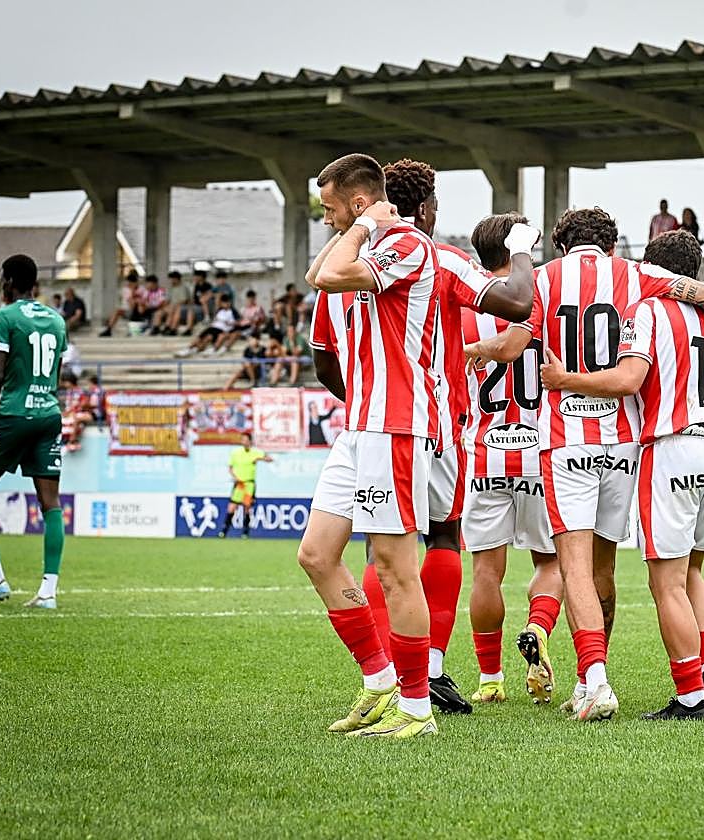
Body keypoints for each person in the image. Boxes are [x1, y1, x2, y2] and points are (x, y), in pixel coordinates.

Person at [462, 207, 704, 722]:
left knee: (574, 567)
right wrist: (688, 290)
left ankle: (596, 679)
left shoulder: (543, 279)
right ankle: (586, 681)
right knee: (604, 568)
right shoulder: (637, 274)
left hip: (566, 441)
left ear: (562, 246)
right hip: (623, 442)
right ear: (610, 245)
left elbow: (513, 346)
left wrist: (477, 348)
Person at [355, 159, 539, 717]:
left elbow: (324, 361)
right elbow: (516, 302)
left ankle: (386, 672)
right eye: (434, 204)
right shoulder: (442, 258)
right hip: (438, 419)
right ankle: (427, 669)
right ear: (425, 207)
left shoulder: (345, 266)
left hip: (370, 418)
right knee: (442, 536)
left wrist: (369, 397)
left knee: (381, 544)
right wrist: (522, 249)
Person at [538, 230, 704, 720]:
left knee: (662, 580)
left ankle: (685, 694)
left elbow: (629, 379)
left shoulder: (648, 309)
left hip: (668, 445)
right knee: (693, 570)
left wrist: (564, 379)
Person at [300, 153, 442, 740]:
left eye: (331, 208)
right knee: (316, 555)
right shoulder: (362, 241)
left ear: (359, 203)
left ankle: (417, 709)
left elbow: (328, 277)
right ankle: (380, 679)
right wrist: (357, 225)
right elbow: (318, 272)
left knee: (395, 568)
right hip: (360, 427)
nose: (326, 219)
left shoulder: (406, 244)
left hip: (396, 425)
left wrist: (362, 225)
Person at [461, 214, 564, 705]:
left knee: (486, 570)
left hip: (485, 451)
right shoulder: (543, 296)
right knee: (552, 561)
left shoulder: (466, 305)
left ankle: (490, 680)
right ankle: (538, 628)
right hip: (540, 451)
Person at [0, 255, 68, 609]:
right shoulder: (56, 320)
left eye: (3, 278)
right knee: (51, 503)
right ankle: (48, 592)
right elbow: (56, 374)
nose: (2, 284)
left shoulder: (4, 317)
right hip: (48, 414)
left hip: (15, 414)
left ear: (9, 281)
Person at [220, 432, 273, 539]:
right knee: (232, 507)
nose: (243, 442)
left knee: (247, 507)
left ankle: (245, 532)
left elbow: (269, 459)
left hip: (249, 484)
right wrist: (234, 477)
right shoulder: (236, 453)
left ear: (250, 441)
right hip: (239, 484)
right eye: (242, 440)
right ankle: (224, 531)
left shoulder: (255, 452)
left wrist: (260, 459)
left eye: (245, 440)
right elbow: (230, 468)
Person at [99, 271, 147, 337]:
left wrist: (137, 299)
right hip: (128, 309)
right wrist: (133, 291)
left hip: (140, 310)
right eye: (129, 283)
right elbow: (131, 304)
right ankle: (108, 330)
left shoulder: (142, 289)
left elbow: (144, 300)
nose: (130, 285)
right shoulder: (126, 289)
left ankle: (135, 329)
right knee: (117, 311)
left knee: (140, 305)